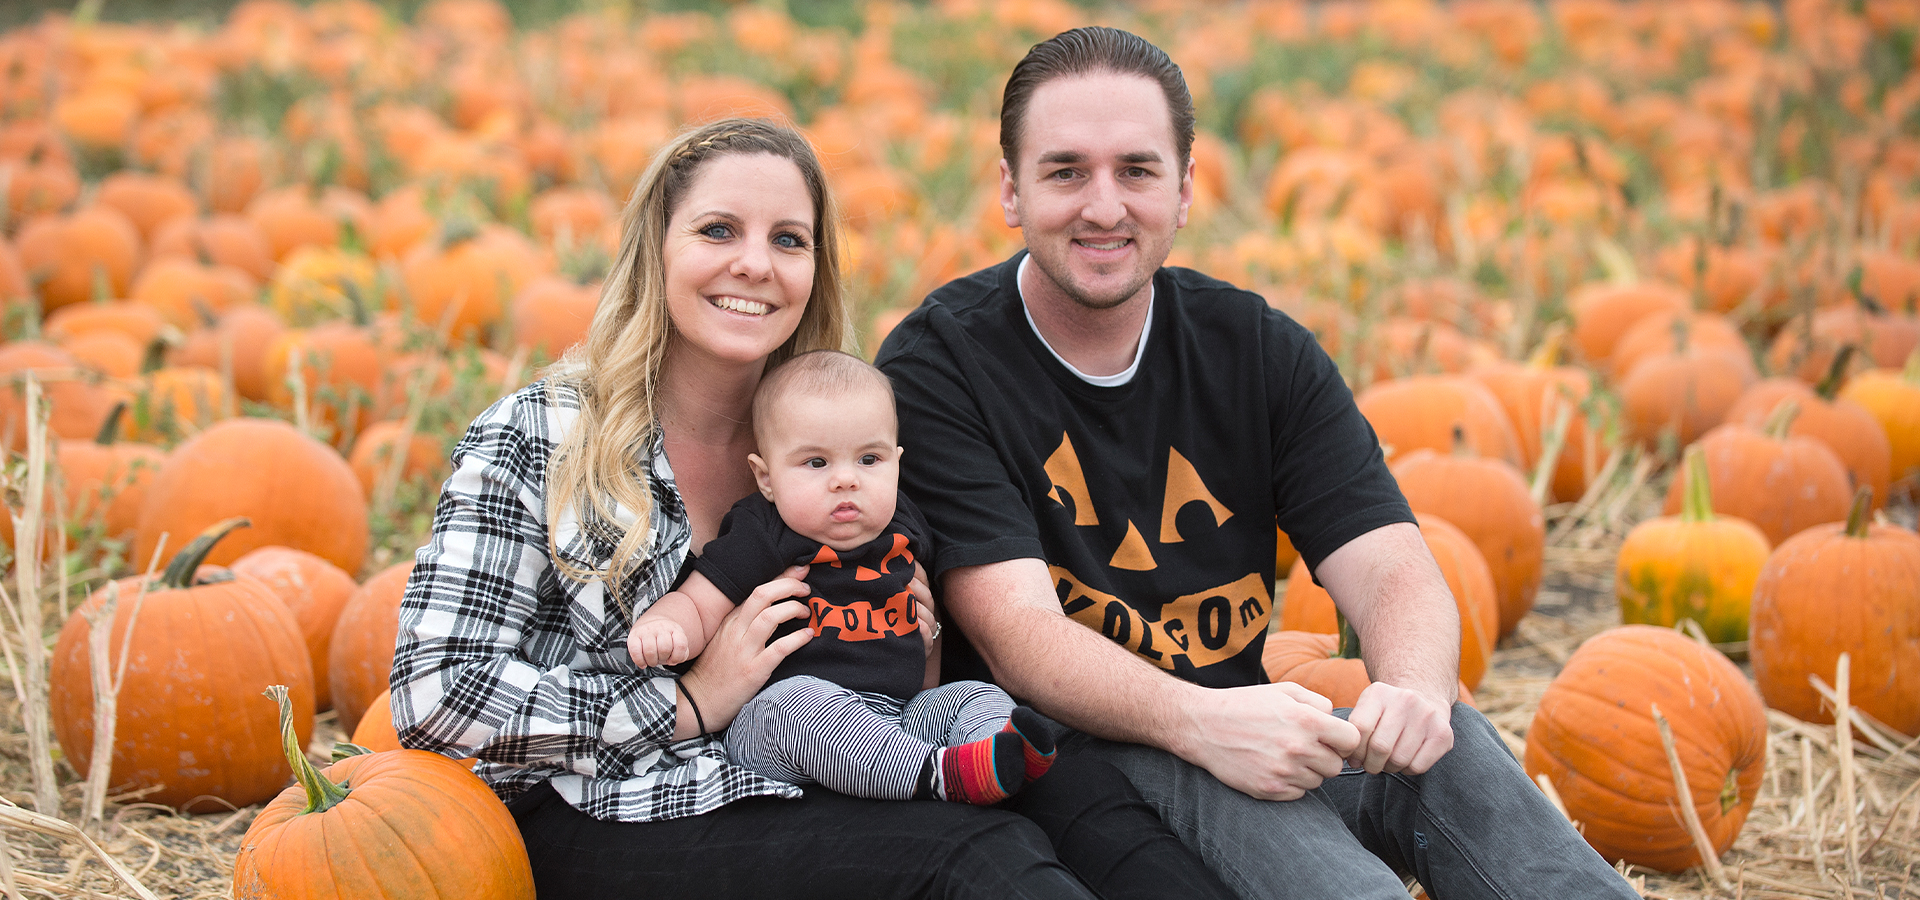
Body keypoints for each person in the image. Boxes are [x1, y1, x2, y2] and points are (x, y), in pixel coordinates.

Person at [875, 26, 1644, 900]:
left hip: (1249, 730)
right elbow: (1022, 641)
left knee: (1454, 747)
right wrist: (1203, 721)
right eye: (1065, 172)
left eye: (1136, 170)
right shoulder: (940, 366)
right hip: (1085, 762)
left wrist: (1418, 691)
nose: (1102, 206)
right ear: (1010, 189)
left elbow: (1392, 562)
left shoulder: (1256, 349)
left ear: (1186, 189)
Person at [390, 115, 1236, 900]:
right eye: (719, 230)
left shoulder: (839, 430)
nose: (755, 263)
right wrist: (688, 704)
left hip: (823, 754)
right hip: (609, 806)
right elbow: (433, 697)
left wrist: (924, 635)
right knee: (966, 856)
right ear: (656, 247)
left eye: (787, 240)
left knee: (1062, 776)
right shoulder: (539, 436)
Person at [626, 349, 1055, 806]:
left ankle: (998, 751)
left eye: (869, 459)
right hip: (779, 727)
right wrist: (667, 627)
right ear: (766, 479)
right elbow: (699, 601)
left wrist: (929, 677)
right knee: (798, 704)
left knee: (970, 695)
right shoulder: (765, 532)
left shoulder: (906, 527)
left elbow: (920, 627)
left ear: (897, 461)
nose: (846, 480)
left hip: (897, 715)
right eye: (816, 463)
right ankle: (938, 773)